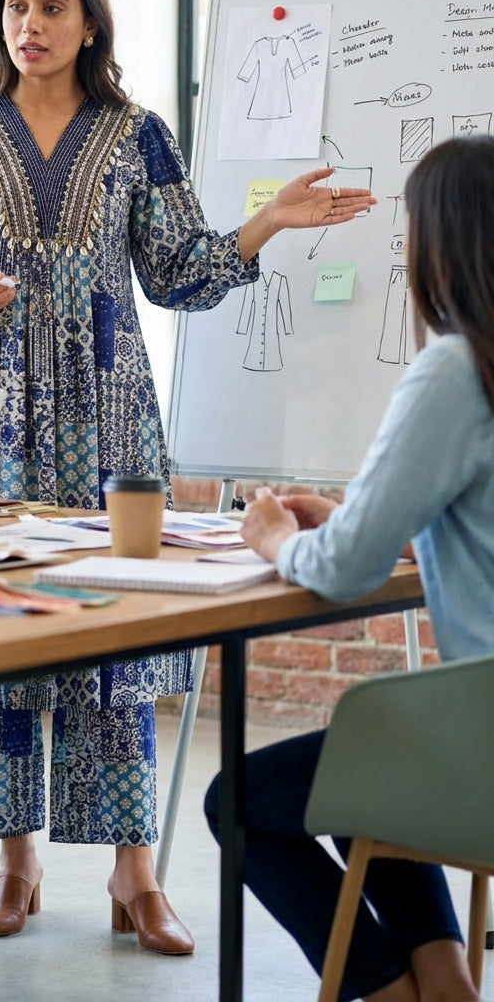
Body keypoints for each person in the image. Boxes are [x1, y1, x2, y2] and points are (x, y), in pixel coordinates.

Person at [0, 0, 372, 955]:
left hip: (111, 423)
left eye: (53, 6)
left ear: (89, 21)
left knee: (120, 636)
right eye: (16, 4)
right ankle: (13, 863)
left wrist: (267, 222)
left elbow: (178, 272)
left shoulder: (136, 134)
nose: (31, 23)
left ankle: (133, 879)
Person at [204, 135, 494, 1001]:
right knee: (374, 763)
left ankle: (384, 990)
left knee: (241, 801)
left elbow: (336, 572)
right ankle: (444, 981)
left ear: (440, 243)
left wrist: (268, 537)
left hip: (482, 744)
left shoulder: (456, 367)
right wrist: (382, 524)